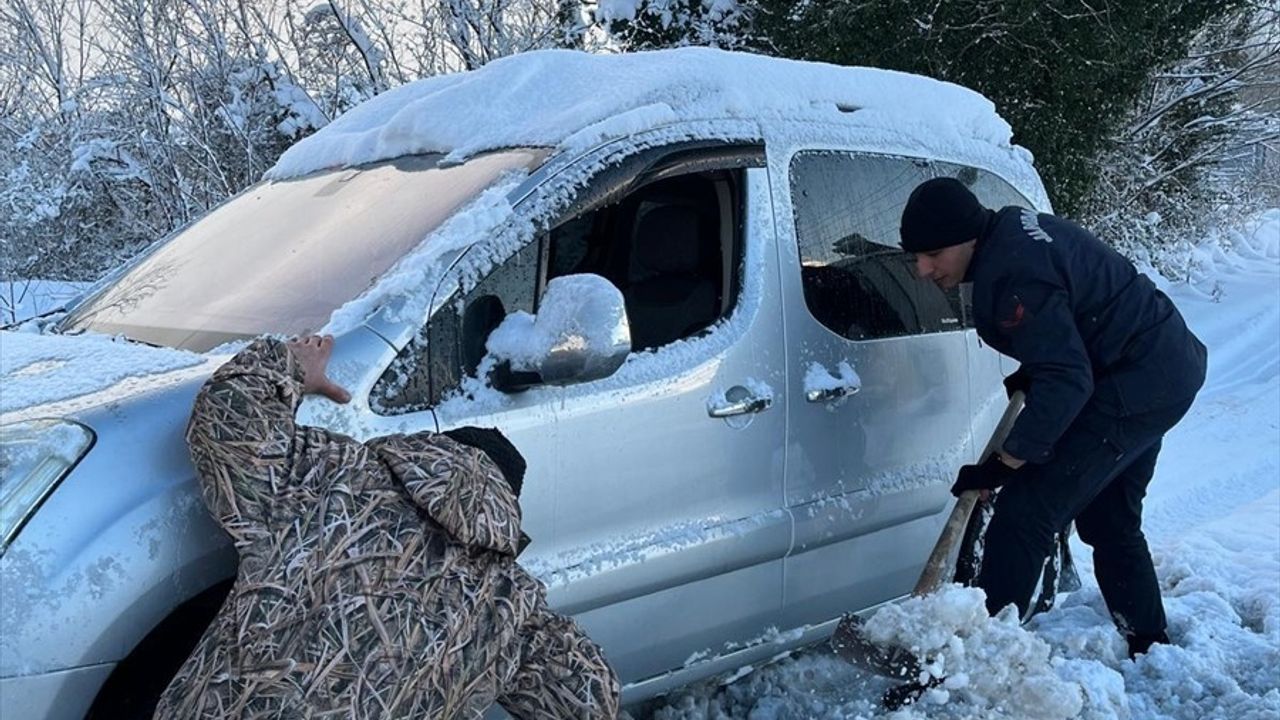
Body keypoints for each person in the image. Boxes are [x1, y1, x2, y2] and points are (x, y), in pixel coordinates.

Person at [155, 335, 619, 719]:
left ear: (425, 451)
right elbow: (586, 699)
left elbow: (229, 419)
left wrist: (289, 365)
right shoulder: (508, 605)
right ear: (503, 511)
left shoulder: (334, 476)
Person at [899, 178, 1207, 659]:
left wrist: (1007, 460)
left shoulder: (1013, 272)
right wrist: (1036, 365)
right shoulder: (1013, 234)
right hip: (1162, 364)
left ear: (968, 238)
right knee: (1110, 520)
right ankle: (1150, 645)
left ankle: (980, 658)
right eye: (914, 255)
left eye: (933, 253)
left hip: (1138, 380)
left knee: (1024, 513)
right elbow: (1074, 317)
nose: (921, 269)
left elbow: (1068, 380)